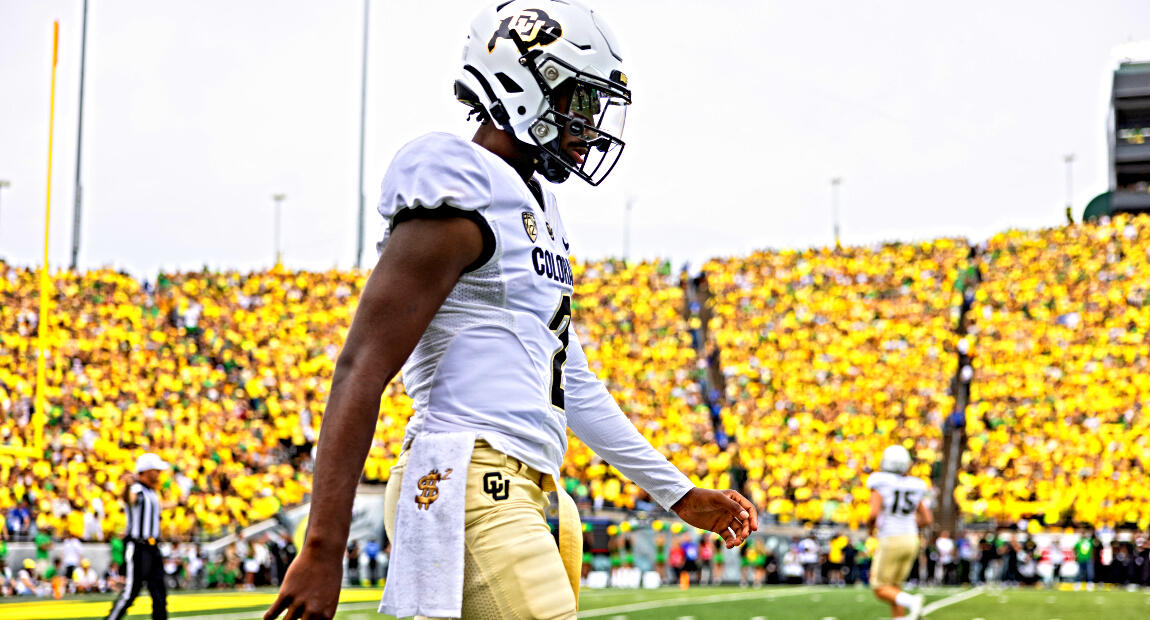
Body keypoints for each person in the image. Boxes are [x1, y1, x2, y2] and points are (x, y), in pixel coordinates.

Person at [265, 2, 757, 618]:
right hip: (466, 482)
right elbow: (362, 366)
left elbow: (571, 380)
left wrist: (677, 494)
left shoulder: (537, 207)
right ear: (523, 82)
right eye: (579, 102)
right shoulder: (457, 182)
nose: (589, 125)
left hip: (525, 485)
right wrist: (323, 546)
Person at [866, 445, 930, 620]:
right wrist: (908, 524)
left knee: (879, 588)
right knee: (895, 586)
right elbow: (926, 519)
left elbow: (873, 513)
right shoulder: (915, 484)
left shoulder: (879, 481)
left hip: (891, 537)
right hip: (911, 538)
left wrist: (870, 530)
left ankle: (911, 601)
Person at [105, 452, 169, 620]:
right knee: (131, 592)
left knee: (159, 592)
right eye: (156, 470)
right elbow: (129, 499)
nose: (159, 474)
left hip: (153, 547)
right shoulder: (137, 489)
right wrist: (127, 486)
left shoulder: (152, 492)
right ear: (147, 470)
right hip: (139, 547)